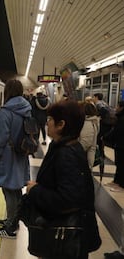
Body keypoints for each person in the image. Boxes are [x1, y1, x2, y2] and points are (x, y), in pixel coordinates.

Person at [25, 100, 101, 258]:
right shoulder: (65, 147)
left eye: (50, 120)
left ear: (61, 125)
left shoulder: (66, 154)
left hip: (63, 240)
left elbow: (68, 200)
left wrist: (35, 190)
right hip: (61, 237)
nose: (47, 123)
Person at [0, 79, 31, 239]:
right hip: (21, 153)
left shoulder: (5, 112)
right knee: (15, 190)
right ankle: (13, 220)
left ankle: (10, 227)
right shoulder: (26, 108)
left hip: (7, 156)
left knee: (9, 190)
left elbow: (0, 139)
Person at [105, 100, 124, 192]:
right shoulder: (119, 118)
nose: (116, 108)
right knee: (118, 164)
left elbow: (118, 131)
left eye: (117, 106)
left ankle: (122, 185)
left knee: (122, 165)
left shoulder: (122, 119)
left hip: (122, 144)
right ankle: (116, 181)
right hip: (119, 144)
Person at [78, 102, 99, 169]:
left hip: (83, 159)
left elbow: (84, 144)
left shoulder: (87, 123)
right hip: (88, 157)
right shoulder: (94, 121)